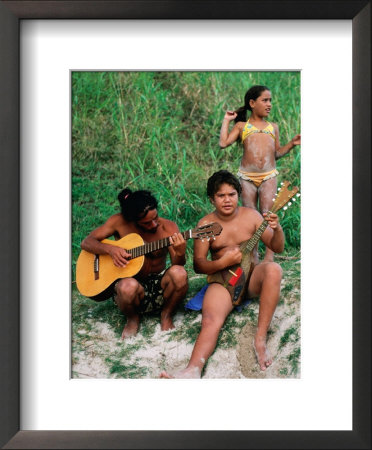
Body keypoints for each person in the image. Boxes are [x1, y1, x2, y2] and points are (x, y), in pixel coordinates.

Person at [160, 170, 284, 378]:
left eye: (232, 194)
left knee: (273, 269)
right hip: (222, 281)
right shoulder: (206, 225)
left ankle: (260, 340)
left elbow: (277, 247)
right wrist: (223, 262)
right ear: (212, 199)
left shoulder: (252, 216)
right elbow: (199, 265)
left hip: (251, 277)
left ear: (238, 194)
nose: (227, 200)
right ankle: (193, 369)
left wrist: (277, 229)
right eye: (221, 196)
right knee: (210, 320)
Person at [80, 188, 188, 339]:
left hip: (160, 286)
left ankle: (166, 314)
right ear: (133, 220)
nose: (154, 224)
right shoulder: (119, 222)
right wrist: (110, 249)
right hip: (130, 288)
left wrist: (180, 252)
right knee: (127, 286)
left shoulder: (168, 227)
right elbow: (87, 242)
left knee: (180, 273)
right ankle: (132, 319)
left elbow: (178, 264)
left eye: (155, 217)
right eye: (147, 223)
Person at [219, 85, 300, 262]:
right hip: (247, 178)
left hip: (268, 176)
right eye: (265, 100)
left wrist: (292, 144)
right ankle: (253, 255)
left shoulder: (273, 127)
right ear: (252, 103)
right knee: (250, 216)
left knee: (268, 214)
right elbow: (223, 143)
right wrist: (226, 120)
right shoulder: (242, 126)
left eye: (270, 100)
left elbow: (276, 153)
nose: (269, 104)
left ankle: (270, 255)